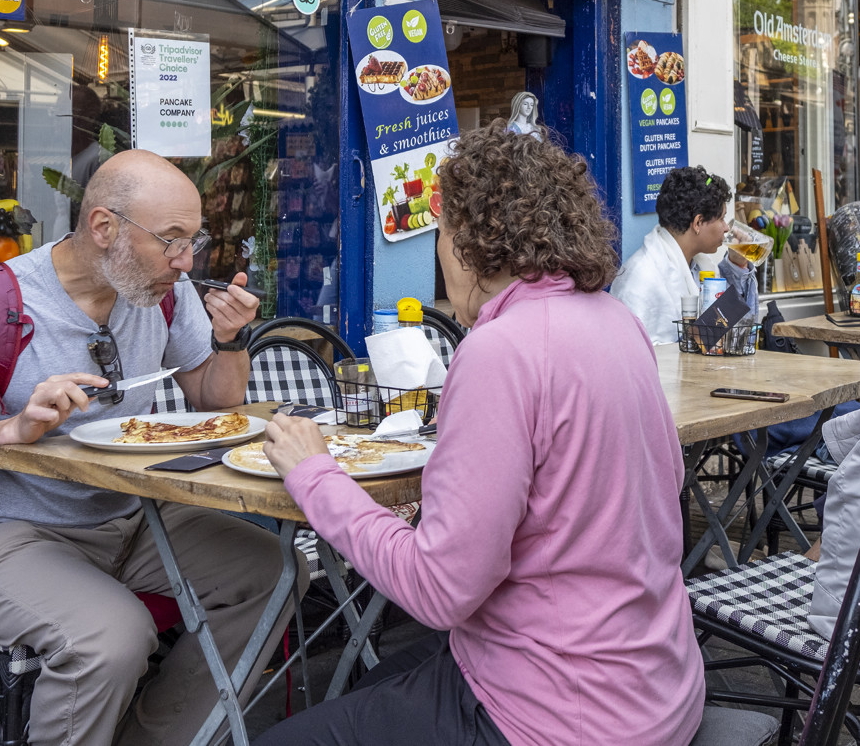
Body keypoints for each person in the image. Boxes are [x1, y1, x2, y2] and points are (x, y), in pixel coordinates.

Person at [256, 124, 702, 746]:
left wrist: (315, 476)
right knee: (369, 685)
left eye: (439, 234)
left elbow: (440, 593)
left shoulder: (501, 350)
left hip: (559, 715)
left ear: (469, 242)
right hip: (659, 685)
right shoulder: (618, 322)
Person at [0, 149, 306, 746]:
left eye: (193, 241)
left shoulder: (161, 296)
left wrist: (231, 340)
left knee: (276, 569)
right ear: (104, 228)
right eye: (171, 240)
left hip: (129, 518)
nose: (186, 261)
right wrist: (9, 430)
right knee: (111, 637)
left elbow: (215, 400)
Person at [609, 165, 755, 347]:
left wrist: (737, 264)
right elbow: (634, 356)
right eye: (722, 218)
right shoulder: (641, 279)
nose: (726, 228)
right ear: (698, 223)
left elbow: (731, 328)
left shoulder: (701, 268)